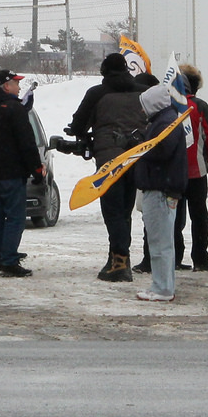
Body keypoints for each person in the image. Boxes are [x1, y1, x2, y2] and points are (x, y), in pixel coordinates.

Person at [66, 52, 144, 282]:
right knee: (126, 211)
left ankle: (119, 262)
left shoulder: (98, 93)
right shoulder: (141, 91)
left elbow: (79, 124)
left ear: (104, 72)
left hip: (109, 160)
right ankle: (119, 258)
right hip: (135, 156)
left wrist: (81, 133)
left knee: (113, 211)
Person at [0, 69, 42, 278]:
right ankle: (9, 260)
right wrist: (36, 167)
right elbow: (26, 142)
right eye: (16, 83)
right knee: (15, 217)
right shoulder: (14, 109)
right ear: (6, 86)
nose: (19, 86)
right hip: (11, 172)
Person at [130, 78, 189, 303]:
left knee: (160, 241)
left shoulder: (165, 123)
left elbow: (160, 152)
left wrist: (139, 143)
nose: (142, 109)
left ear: (153, 103)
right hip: (161, 187)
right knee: (161, 241)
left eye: (144, 104)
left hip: (160, 189)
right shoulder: (163, 120)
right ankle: (163, 284)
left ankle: (163, 288)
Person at [170, 65, 208, 272]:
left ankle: (175, 257)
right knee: (199, 216)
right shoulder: (199, 106)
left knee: (174, 218)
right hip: (197, 169)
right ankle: (200, 258)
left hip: (172, 171)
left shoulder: (168, 105)